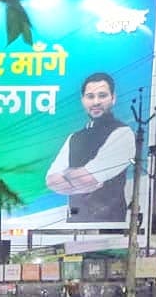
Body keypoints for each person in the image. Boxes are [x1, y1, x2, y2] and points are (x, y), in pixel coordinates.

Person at [45, 72, 135, 224]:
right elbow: (51, 181)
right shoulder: (74, 137)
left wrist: (66, 176)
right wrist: (81, 179)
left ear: (113, 98)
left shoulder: (122, 133)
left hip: (109, 227)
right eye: (90, 96)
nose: (96, 102)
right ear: (83, 100)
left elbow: (88, 178)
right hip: (74, 225)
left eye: (102, 95)